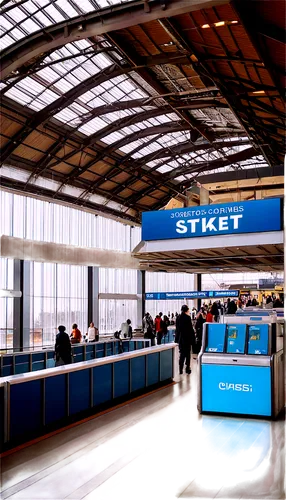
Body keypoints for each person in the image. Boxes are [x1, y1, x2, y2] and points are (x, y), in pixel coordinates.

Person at [175, 305, 195, 375]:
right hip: (187, 339)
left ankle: (180, 369)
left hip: (181, 339)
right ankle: (187, 368)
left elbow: (177, 330)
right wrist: (193, 339)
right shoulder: (188, 318)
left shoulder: (178, 318)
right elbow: (190, 329)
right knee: (187, 354)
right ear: (186, 310)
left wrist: (176, 340)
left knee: (182, 354)